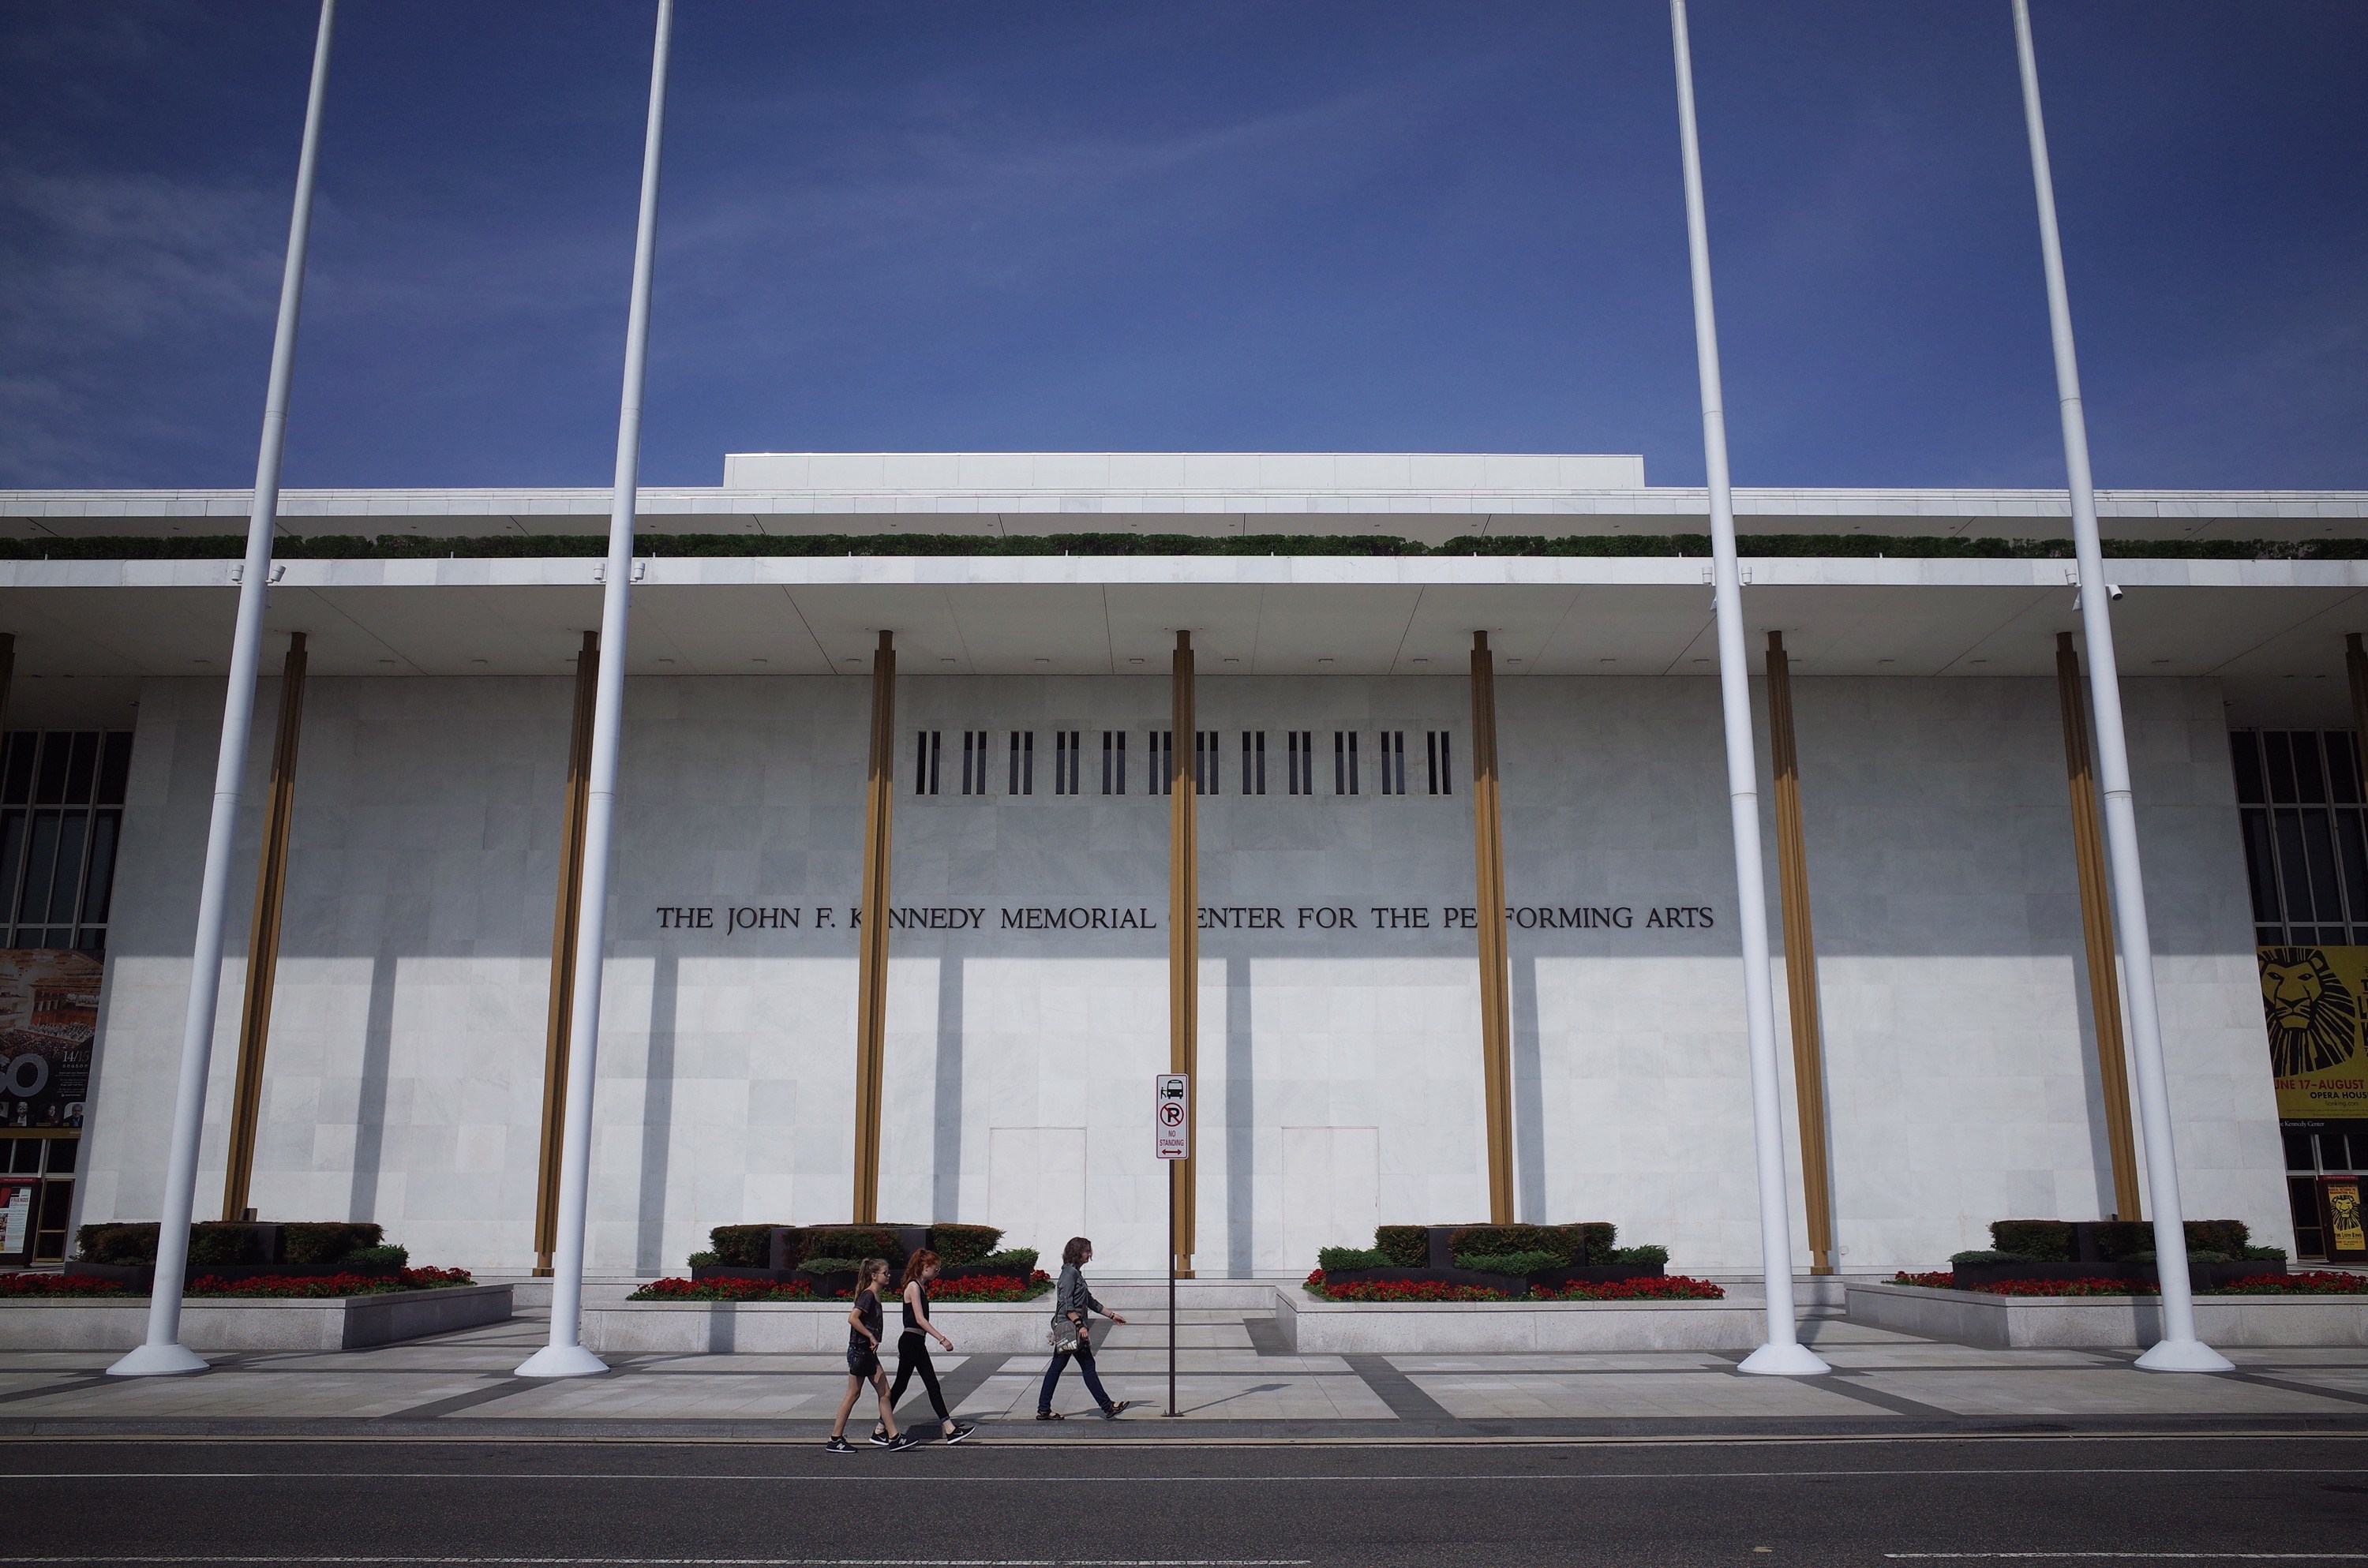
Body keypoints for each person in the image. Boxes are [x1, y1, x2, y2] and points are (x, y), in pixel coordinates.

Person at [879, 1249, 976, 1445]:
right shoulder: (914, 1286)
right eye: (935, 1269)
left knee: (909, 1386)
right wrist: (942, 1339)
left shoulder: (919, 1286)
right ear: (925, 1267)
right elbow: (919, 1319)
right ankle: (949, 1429)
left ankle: (880, 1429)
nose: (937, 1272)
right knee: (920, 1385)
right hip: (911, 1341)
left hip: (914, 1342)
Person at [827, 1259, 918, 1454]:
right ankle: (835, 1439)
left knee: (884, 1393)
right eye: (886, 1273)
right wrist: (870, 1336)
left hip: (866, 1352)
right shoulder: (868, 1295)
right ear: (874, 1276)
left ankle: (894, 1437)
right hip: (861, 1351)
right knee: (856, 1394)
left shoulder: (873, 1295)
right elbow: (853, 1318)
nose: (889, 1275)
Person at [1036, 1236, 1131, 1420]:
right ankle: (1107, 1406)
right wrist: (1080, 1325)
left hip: (1073, 1328)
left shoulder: (1075, 1273)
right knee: (1085, 1366)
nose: (1090, 1254)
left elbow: (1090, 1301)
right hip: (1071, 1329)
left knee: (1059, 1366)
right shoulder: (1069, 1274)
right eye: (1087, 1251)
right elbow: (1067, 1305)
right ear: (1078, 1252)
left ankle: (1044, 1409)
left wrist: (1112, 1315)